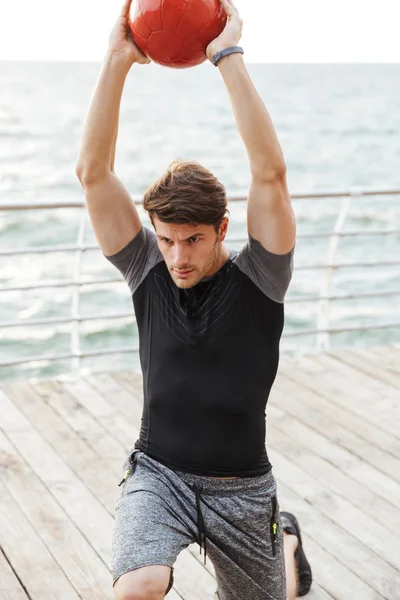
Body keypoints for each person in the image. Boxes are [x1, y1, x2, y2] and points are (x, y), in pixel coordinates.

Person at [76, 0, 312, 598]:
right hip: (159, 475)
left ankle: (283, 539)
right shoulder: (146, 269)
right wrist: (117, 59)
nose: (177, 256)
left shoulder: (262, 276)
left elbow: (270, 175)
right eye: (168, 239)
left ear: (223, 230)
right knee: (138, 585)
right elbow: (94, 174)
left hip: (243, 488)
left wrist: (227, 55)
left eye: (193, 240)